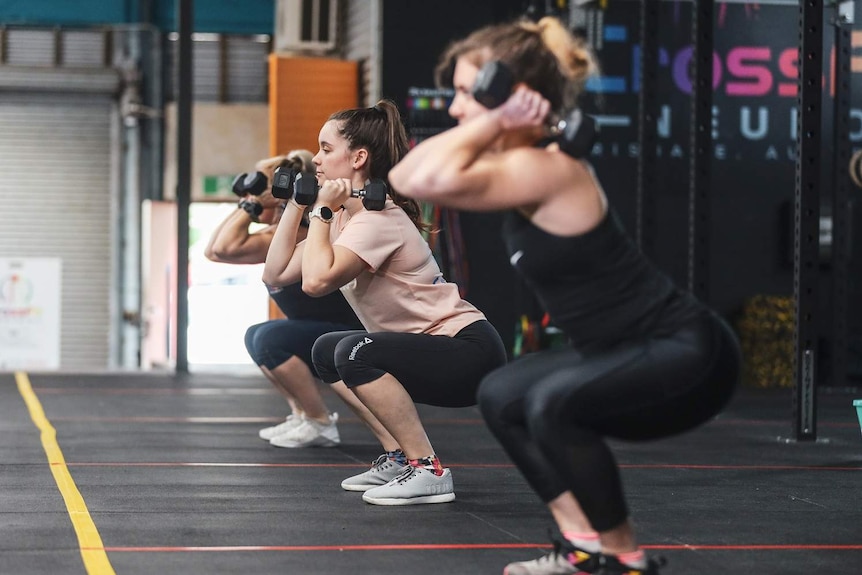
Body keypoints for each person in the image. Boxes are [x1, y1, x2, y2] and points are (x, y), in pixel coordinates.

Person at [390, 16, 741, 575]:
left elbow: (414, 178)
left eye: (465, 92)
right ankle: (583, 546)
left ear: (504, 92)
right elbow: (417, 174)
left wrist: (497, 119)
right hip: (624, 349)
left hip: (687, 351)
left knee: (552, 404)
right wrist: (496, 121)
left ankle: (624, 558)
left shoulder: (546, 167)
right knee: (503, 393)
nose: (456, 109)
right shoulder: (527, 161)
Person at [262, 99, 508, 505]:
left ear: (358, 158)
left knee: (353, 350)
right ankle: (398, 457)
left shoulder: (377, 221)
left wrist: (321, 211)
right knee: (325, 350)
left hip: (466, 350)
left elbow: (316, 282)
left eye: (326, 149)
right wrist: (297, 204)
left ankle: (428, 469)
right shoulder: (343, 219)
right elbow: (275, 274)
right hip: (429, 351)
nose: (318, 161)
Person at [204, 150, 365, 448]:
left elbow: (225, 248)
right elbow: (212, 251)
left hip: (345, 333)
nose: (256, 191)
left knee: (268, 338)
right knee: (256, 336)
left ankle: (320, 422)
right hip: (319, 330)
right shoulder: (274, 233)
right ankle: (303, 415)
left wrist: (252, 204)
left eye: (264, 184)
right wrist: (250, 201)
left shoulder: (300, 234)